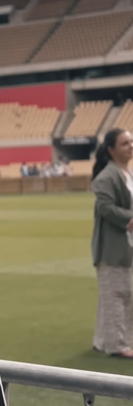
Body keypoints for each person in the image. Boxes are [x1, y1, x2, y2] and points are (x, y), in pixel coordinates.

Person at [90, 128, 133, 358]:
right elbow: (105, 209)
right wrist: (130, 218)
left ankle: (102, 339)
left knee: (116, 293)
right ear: (111, 149)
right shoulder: (107, 177)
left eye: (131, 141)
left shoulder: (127, 173)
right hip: (111, 246)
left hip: (125, 244)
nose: (131, 146)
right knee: (118, 294)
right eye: (125, 143)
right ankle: (118, 344)